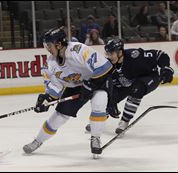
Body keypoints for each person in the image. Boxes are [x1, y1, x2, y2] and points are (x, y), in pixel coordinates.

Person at [23, 27, 113, 157]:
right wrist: (47, 99)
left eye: (49, 45)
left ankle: (95, 138)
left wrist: (90, 85)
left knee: (99, 104)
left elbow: (104, 67)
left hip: (97, 81)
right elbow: (55, 87)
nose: (47, 49)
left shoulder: (78, 50)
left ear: (59, 44)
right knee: (59, 117)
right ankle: (38, 140)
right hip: (75, 86)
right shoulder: (50, 63)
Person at [87, 39, 174, 135]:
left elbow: (160, 54)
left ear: (120, 52)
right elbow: (107, 84)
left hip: (150, 76)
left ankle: (124, 121)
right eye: (107, 53)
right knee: (106, 97)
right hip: (129, 82)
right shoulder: (109, 65)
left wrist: (166, 68)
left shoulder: (134, 56)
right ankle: (98, 121)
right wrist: (111, 102)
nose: (109, 56)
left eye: (111, 53)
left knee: (137, 89)